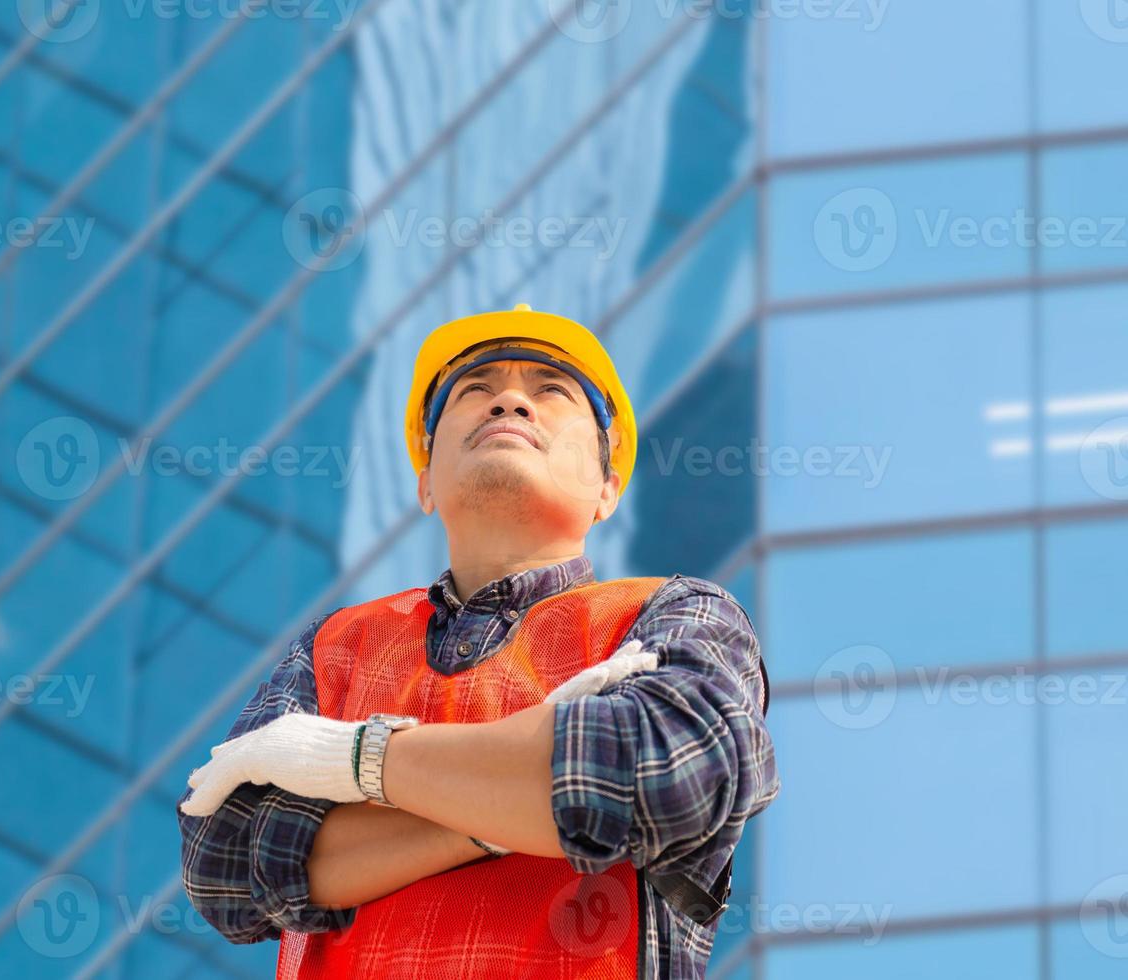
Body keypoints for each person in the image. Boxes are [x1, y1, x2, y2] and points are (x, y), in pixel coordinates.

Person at [176, 303, 779, 978]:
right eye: (474, 392)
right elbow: (227, 863)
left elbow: (671, 775)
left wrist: (353, 759)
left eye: (551, 391)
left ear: (608, 487)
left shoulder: (674, 614)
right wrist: (515, 799)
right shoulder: (335, 646)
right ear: (425, 482)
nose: (511, 402)